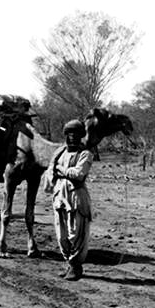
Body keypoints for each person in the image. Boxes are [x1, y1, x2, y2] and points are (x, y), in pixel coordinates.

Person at [47, 119, 94, 281]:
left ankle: (76, 266)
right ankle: (68, 263)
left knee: (76, 233)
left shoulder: (86, 154)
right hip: (60, 196)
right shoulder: (60, 153)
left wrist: (60, 169)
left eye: (76, 134)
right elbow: (50, 174)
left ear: (81, 136)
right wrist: (59, 172)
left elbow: (79, 174)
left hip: (76, 197)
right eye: (69, 133)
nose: (72, 137)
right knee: (62, 233)